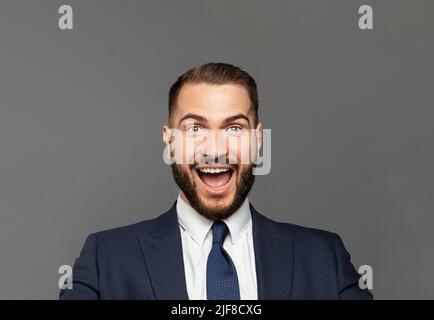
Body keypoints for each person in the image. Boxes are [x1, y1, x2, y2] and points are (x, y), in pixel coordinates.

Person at [59, 63, 372, 300]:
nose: (215, 149)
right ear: (170, 142)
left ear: (258, 140)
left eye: (234, 128)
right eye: (195, 129)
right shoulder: (105, 260)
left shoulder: (323, 258)